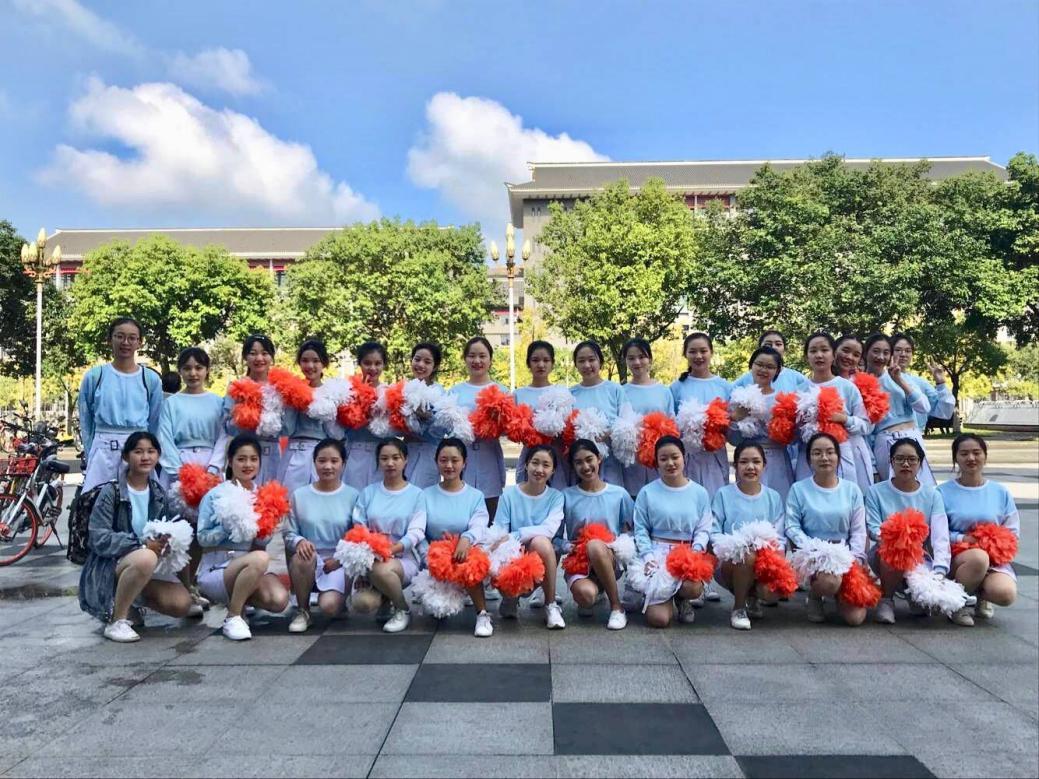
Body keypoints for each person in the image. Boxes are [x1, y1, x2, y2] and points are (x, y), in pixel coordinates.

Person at [79, 431, 194, 642]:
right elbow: (98, 538)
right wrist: (141, 544)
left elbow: (166, 527)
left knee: (181, 604)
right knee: (146, 556)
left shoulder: (158, 493)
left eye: (151, 451)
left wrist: (167, 542)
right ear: (126, 456)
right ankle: (117, 621)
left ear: (158, 456)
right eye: (138, 452)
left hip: (145, 564)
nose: (145, 457)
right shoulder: (112, 491)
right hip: (110, 565)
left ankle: (132, 602)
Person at [196, 433, 290, 641]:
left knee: (279, 600)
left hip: (250, 567)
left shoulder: (262, 496)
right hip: (217, 570)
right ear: (230, 462)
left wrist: (270, 523)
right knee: (261, 558)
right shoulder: (215, 495)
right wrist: (228, 527)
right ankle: (233, 616)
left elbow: (262, 542)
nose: (248, 465)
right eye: (241, 459)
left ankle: (239, 602)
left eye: (253, 459)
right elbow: (202, 538)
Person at [785, 432, 868, 626]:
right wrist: (815, 549)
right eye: (817, 453)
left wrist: (854, 558)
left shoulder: (852, 490)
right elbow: (792, 526)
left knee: (855, 619)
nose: (824, 458)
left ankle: (838, 592)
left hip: (845, 555)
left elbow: (859, 531)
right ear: (809, 459)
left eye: (830, 452)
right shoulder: (798, 489)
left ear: (838, 457)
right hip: (813, 555)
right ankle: (815, 596)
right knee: (829, 582)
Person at [865, 438, 950, 624]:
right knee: (895, 552)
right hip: (884, 552)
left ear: (920, 463)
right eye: (900, 459)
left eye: (912, 459)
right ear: (891, 462)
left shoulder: (932, 495)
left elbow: (940, 535)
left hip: (920, 556)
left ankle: (911, 592)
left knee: (926, 608)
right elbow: (872, 527)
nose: (905, 464)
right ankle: (886, 600)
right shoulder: (875, 491)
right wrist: (896, 538)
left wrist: (940, 569)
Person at [938, 434, 1019, 626]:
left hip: (992, 558)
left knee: (1005, 594)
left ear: (985, 456)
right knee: (978, 558)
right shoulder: (942, 492)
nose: (971, 458)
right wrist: (962, 539)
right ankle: (957, 604)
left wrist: (999, 546)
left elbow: (1012, 529)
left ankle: (978, 594)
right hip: (957, 557)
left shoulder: (1000, 491)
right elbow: (936, 531)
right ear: (955, 458)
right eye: (964, 453)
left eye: (976, 453)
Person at [633, 436, 714, 628]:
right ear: (657, 462)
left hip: (687, 553)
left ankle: (682, 599)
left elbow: (704, 527)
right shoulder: (647, 492)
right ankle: (661, 597)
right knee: (658, 620)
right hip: (657, 554)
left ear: (684, 457)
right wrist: (648, 557)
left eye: (675, 457)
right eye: (664, 459)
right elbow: (640, 528)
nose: (670, 463)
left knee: (692, 587)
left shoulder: (699, 492)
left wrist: (696, 551)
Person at [78, 317, 163, 492]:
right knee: (97, 500)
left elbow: (155, 421)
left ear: (139, 342)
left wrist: (150, 453)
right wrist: (90, 450)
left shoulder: (150, 379)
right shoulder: (95, 376)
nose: (126, 342)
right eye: (120, 336)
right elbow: (86, 420)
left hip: (138, 450)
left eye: (132, 338)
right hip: (103, 451)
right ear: (110, 340)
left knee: (140, 501)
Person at [350, 439, 426, 633]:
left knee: (381, 570)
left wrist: (393, 549)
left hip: (403, 558)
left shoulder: (417, 494)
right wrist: (366, 560)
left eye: (395, 458)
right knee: (362, 603)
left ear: (405, 460)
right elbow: (358, 525)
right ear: (378, 461)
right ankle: (386, 599)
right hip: (371, 558)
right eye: (384, 458)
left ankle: (402, 609)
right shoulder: (368, 492)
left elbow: (417, 531)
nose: (390, 463)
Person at [419, 438, 493, 637]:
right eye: (443, 460)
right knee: (437, 612)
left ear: (464, 463)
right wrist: (429, 555)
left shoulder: (475, 496)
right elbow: (418, 530)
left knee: (470, 562)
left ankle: (482, 614)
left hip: (464, 552)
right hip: (435, 559)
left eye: (455, 460)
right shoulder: (425, 495)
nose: (449, 465)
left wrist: (466, 539)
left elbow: (479, 524)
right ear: (436, 462)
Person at [284, 439, 360, 633]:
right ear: (314, 462)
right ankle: (303, 611)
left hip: (340, 560)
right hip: (310, 556)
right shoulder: (299, 495)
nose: (328, 466)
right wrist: (300, 541)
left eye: (334, 461)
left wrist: (341, 558)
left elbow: (359, 535)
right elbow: (289, 532)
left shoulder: (353, 495)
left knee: (329, 607)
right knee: (302, 557)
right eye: (322, 461)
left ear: (343, 463)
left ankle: (341, 600)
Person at [711, 442, 786, 630]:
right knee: (747, 556)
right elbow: (714, 532)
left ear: (764, 465)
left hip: (764, 561)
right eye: (744, 462)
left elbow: (780, 536)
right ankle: (739, 608)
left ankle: (753, 597)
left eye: (756, 462)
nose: (750, 467)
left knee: (771, 593)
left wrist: (772, 556)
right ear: (735, 466)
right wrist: (734, 548)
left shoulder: (773, 497)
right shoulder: (723, 494)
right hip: (731, 562)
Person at [562, 439, 635, 630]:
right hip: (579, 561)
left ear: (599, 458)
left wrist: (621, 547)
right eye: (579, 462)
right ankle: (596, 590)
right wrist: (568, 546)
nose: (586, 467)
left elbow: (633, 529)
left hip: (608, 556)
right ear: (573, 466)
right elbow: (555, 536)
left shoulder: (619, 494)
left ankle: (617, 607)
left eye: (589, 459)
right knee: (586, 597)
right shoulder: (566, 496)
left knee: (595, 545)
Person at [492, 445, 566, 629]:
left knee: (541, 542)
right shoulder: (508, 495)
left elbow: (549, 530)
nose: (539, 469)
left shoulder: (556, 497)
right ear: (526, 465)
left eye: (546, 465)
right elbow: (500, 532)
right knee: (501, 551)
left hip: (540, 555)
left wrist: (517, 534)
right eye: (535, 463)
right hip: (512, 556)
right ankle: (510, 599)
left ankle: (550, 605)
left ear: (553, 470)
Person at [795, 332, 874, 494]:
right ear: (806, 357)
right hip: (808, 458)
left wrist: (844, 419)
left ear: (833, 355)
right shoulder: (800, 390)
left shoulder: (847, 387)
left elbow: (866, 425)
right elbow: (794, 434)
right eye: (813, 351)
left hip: (842, 456)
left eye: (824, 350)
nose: (819, 355)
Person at [864, 334, 935, 487]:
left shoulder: (899, 377)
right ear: (866, 352)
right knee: (892, 490)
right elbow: (866, 431)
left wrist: (899, 380)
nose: (880, 357)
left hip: (912, 438)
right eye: (875, 351)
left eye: (886, 352)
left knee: (922, 489)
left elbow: (924, 407)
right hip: (884, 441)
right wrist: (873, 465)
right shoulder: (858, 383)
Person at [448, 337, 507, 517]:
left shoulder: (501, 391)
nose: (477, 361)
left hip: (489, 456)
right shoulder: (455, 391)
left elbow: (509, 429)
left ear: (490, 360)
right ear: (465, 359)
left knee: (490, 512)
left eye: (482, 356)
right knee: (460, 512)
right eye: (472, 356)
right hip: (461, 456)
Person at [211, 335, 282, 485]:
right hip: (245, 454)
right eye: (253, 353)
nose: (259, 358)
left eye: (264, 353)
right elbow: (227, 427)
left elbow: (287, 427)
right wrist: (241, 416)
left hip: (273, 454)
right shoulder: (237, 387)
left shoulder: (279, 387)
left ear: (271, 357)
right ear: (245, 357)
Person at [728, 346, 795, 500]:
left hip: (777, 459)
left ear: (777, 371)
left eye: (770, 367)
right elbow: (733, 440)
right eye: (759, 364)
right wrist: (735, 418)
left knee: (778, 500)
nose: (763, 370)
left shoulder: (783, 401)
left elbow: (793, 438)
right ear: (751, 365)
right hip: (748, 459)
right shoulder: (739, 398)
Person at [669, 332, 732, 497]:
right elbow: (672, 425)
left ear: (711, 352)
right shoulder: (676, 388)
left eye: (703, 351)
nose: (698, 356)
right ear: (685, 354)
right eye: (692, 351)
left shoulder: (725, 387)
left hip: (715, 457)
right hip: (687, 458)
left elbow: (731, 424)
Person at [279, 339, 340, 493]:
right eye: (305, 360)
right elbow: (287, 429)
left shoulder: (332, 391)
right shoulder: (292, 389)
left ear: (324, 363)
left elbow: (336, 434)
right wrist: (292, 402)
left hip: (321, 454)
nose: (310, 366)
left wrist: (324, 412)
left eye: (316, 361)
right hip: (294, 454)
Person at [157, 347, 223, 486]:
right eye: (187, 368)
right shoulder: (171, 403)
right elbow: (164, 439)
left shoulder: (218, 402)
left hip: (210, 466)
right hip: (179, 466)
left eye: (199, 368)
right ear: (180, 371)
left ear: (207, 370)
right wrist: (179, 472)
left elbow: (223, 438)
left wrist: (213, 468)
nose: (193, 373)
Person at [620, 338, 676, 497]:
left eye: (642, 357)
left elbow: (671, 424)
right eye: (631, 358)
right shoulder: (621, 392)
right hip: (632, 462)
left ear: (650, 359)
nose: (637, 362)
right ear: (626, 361)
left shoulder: (663, 391)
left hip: (659, 460)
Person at [514, 340, 568, 488]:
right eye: (535, 360)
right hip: (530, 456)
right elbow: (513, 430)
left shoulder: (562, 392)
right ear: (528, 363)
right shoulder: (518, 394)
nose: (541, 365)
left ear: (552, 363)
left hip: (557, 456)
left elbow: (569, 426)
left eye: (546, 360)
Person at [833, 333, 879, 486]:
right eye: (845, 350)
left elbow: (868, 426)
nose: (849, 357)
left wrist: (846, 420)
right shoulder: (817, 381)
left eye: (856, 355)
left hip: (854, 450)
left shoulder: (865, 386)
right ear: (834, 350)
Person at [343, 341, 389, 492]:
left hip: (381, 456)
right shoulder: (348, 391)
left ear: (384, 365)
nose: (373, 368)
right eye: (367, 363)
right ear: (360, 364)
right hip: (354, 454)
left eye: (378, 363)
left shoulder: (389, 392)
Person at [891, 333, 955, 431]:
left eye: (908, 351)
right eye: (898, 350)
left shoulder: (920, 383)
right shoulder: (880, 378)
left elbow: (944, 412)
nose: (903, 354)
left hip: (914, 437)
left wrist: (941, 384)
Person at [404, 342, 446, 488]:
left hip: (429, 454)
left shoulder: (440, 392)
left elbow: (444, 428)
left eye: (427, 362)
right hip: (406, 452)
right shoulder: (403, 389)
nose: (421, 365)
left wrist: (428, 418)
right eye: (417, 359)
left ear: (435, 366)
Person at [732, 329, 811, 394]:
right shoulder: (747, 377)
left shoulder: (796, 378)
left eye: (778, 344)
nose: (773, 347)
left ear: (785, 349)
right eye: (768, 344)